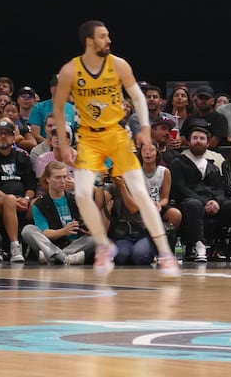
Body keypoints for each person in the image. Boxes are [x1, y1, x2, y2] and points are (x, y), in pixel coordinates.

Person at [51, 21, 179, 277]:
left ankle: (165, 253)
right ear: (90, 41)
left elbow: (138, 97)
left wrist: (144, 128)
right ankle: (103, 245)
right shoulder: (69, 71)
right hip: (88, 138)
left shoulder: (119, 65)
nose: (109, 40)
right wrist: (65, 145)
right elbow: (58, 109)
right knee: (83, 194)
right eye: (103, 36)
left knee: (142, 195)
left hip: (118, 135)